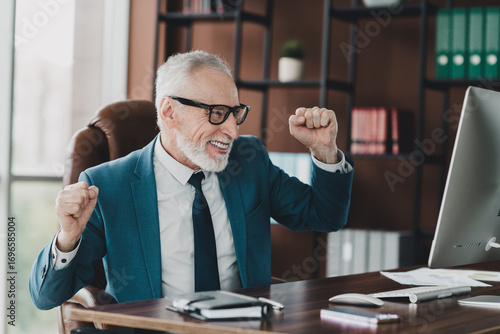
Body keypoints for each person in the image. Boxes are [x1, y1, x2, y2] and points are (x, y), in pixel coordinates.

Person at [29, 50, 354, 310]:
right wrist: (67, 238)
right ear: (169, 112)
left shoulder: (248, 160)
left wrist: (325, 151)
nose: (231, 130)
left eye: (235, 113)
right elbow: (45, 297)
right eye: (216, 113)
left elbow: (325, 216)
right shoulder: (109, 185)